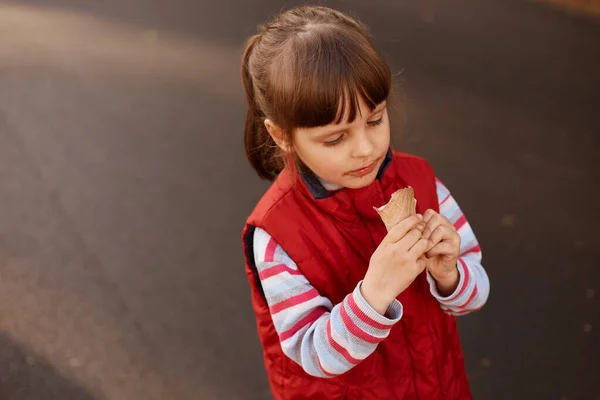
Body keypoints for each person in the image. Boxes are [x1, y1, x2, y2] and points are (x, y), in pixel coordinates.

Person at [240, 6, 489, 400]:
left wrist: (450, 275)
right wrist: (374, 293)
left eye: (374, 120)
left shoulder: (422, 183)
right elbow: (315, 354)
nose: (366, 148)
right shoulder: (277, 234)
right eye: (335, 138)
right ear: (282, 135)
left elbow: (472, 296)